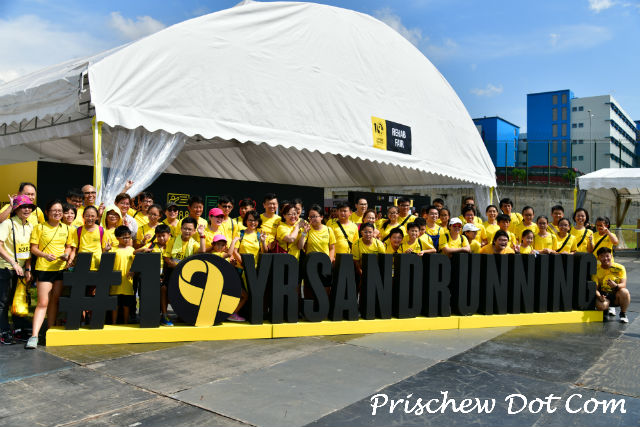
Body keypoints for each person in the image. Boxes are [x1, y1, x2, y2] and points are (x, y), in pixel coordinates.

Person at [26, 200, 76, 349]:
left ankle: (50, 331)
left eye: (60, 210)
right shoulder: (39, 227)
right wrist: (45, 255)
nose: (57, 213)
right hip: (44, 268)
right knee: (43, 303)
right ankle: (34, 336)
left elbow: (68, 247)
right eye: (54, 210)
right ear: (47, 212)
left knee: (55, 301)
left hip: (60, 269)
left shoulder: (67, 229)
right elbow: (33, 248)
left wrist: (66, 255)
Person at [0, 196, 34, 345]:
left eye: (29, 207)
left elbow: (28, 250)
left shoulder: (30, 226)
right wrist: (13, 263)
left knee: (18, 299)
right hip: (5, 267)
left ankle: (18, 329)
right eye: (23, 207)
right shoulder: (8, 224)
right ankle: (3, 331)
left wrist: (27, 268)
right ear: (16, 209)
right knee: (3, 301)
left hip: (20, 269)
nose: (27, 209)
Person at [134, 223, 173, 326]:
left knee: (165, 293)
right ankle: (148, 316)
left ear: (169, 235)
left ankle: (164, 315)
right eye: (159, 236)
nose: (161, 238)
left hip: (167, 274)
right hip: (152, 274)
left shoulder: (172, 245)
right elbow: (135, 252)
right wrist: (144, 249)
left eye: (163, 235)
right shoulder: (151, 244)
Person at [592, 247, 630, 323]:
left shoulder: (620, 268)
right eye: (602, 256)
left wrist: (616, 286)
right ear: (598, 258)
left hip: (616, 294)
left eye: (607, 256)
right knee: (601, 306)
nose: (605, 258)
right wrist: (600, 297)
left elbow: (623, 284)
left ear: (611, 256)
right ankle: (605, 309)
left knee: (625, 292)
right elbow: (595, 288)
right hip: (604, 295)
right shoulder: (596, 271)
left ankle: (623, 313)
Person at [109, 226, 136, 324]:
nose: (126, 239)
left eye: (128, 237)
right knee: (114, 305)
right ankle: (114, 323)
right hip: (115, 282)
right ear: (117, 238)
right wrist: (106, 251)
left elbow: (136, 263)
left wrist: (133, 271)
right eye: (124, 237)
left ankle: (126, 323)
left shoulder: (132, 250)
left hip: (128, 282)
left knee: (126, 305)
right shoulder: (113, 249)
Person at [74, 206, 105, 271]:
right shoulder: (78, 230)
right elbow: (75, 249)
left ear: (97, 217)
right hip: (82, 264)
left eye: (92, 216)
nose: (90, 218)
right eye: (87, 216)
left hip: (97, 264)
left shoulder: (101, 230)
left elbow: (104, 249)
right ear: (83, 216)